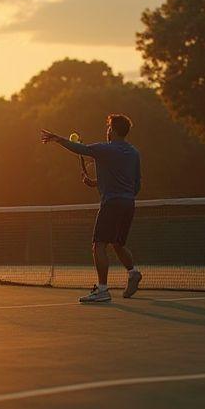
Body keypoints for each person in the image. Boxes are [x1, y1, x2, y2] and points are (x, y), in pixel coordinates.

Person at [40, 114, 143, 303]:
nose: (107, 130)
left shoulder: (105, 149)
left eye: (109, 127)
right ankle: (133, 272)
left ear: (112, 130)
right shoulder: (134, 153)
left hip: (111, 204)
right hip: (128, 204)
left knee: (98, 245)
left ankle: (102, 290)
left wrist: (57, 139)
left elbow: (80, 148)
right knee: (118, 244)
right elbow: (135, 185)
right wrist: (97, 183)